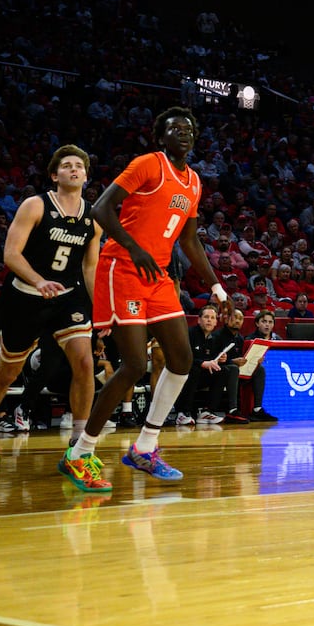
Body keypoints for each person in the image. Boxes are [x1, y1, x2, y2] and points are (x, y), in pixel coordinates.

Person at [66, 107, 232, 483]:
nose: (183, 133)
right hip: (122, 266)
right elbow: (101, 208)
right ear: (161, 137)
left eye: (188, 128)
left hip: (156, 276)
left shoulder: (192, 182)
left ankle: (144, 447)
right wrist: (132, 246)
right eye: (174, 128)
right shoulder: (147, 164)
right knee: (135, 365)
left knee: (181, 358)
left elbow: (188, 240)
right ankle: (80, 452)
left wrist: (218, 287)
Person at [0, 146, 105, 491]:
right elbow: (11, 254)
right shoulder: (35, 205)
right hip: (26, 297)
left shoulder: (94, 217)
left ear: (86, 176)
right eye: (67, 166)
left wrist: (101, 307)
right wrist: (38, 280)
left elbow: (90, 267)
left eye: (79, 166)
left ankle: (78, 447)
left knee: (85, 364)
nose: (74, 170)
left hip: (69, 297)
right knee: (8, 371)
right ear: (54, 174)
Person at [176, 304, 245, 424]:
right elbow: (183, 358)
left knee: (223, 371)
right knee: (195, 370)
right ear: (199, 320)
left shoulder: (214, 338)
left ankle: (208, 411)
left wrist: (221, 359)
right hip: (184, 375)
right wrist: (202, 363)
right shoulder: (190, 334)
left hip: (201, 376)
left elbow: (212, 359)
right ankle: (183, 412)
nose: (209, 320)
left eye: (212, 318)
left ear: (215, 323)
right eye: (206, 317)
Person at [244, 308, 279, 421]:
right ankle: (257, 409)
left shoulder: (278, 339)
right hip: (254, 374)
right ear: (257, 323)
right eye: (264, 321)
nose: (267, 325)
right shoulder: (250, 339)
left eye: (270, 322)